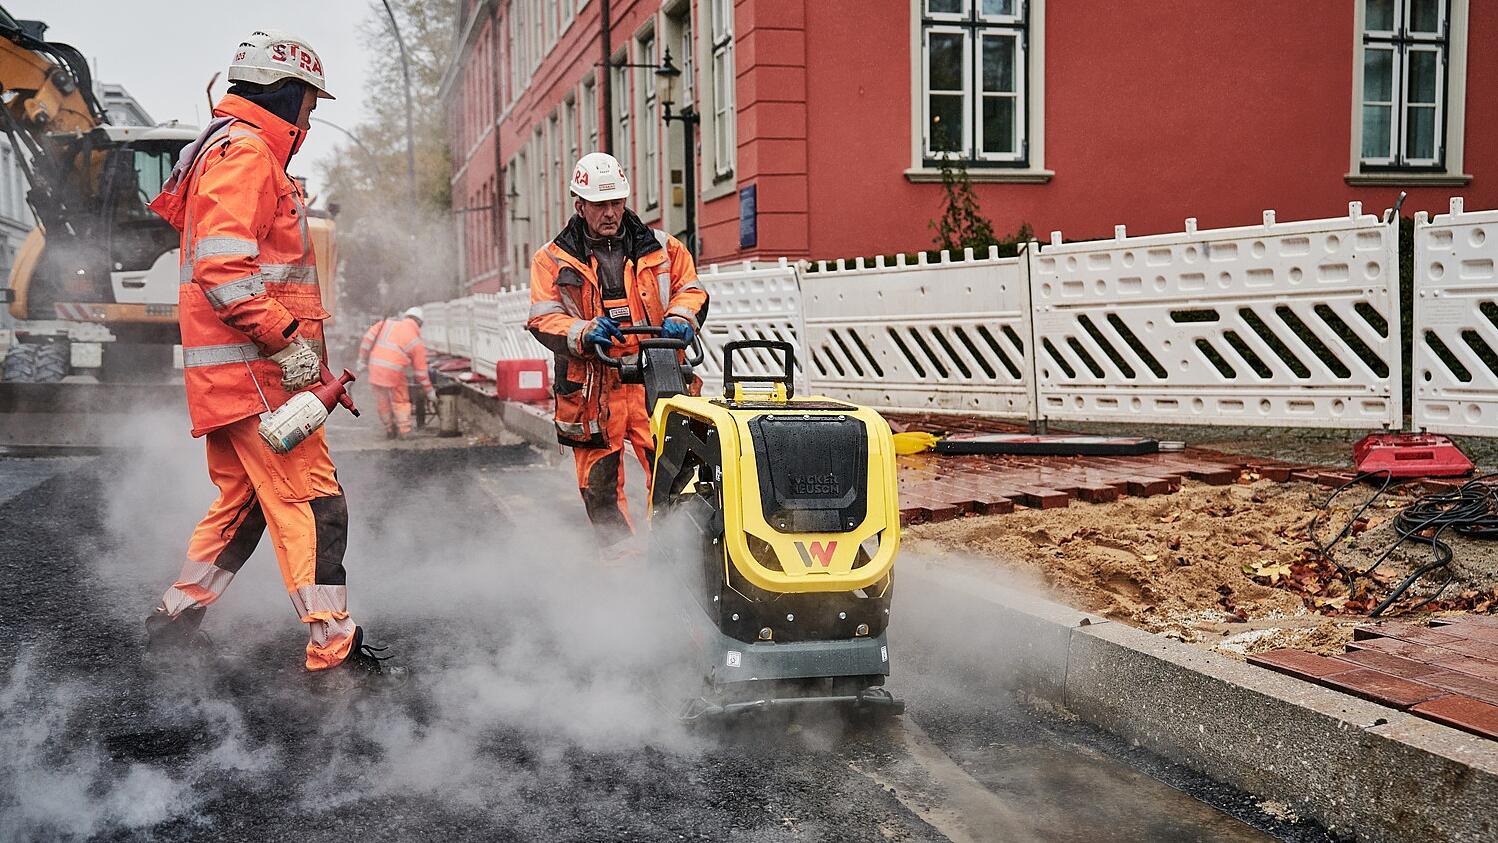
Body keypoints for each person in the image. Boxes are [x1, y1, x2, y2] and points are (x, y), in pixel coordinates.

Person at [142, 29, 394, 675]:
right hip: (260, 376)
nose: (310, 116)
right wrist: (288, 343)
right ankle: (334, 651)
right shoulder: (249, 153)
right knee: (316, 503)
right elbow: (225, 269)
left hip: (237, 380)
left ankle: (176, 617)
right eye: (309, 101)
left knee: (244, 505)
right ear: (286, 94)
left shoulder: (225, 150)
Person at [527, 152, 709, 551]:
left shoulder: (664, 248)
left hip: (656, 375)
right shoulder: (552, 259)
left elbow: (691, 289)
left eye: (616, 203)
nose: (610, 213)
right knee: (600, 487)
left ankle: (674, 558)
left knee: (677, 474)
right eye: (600, 204)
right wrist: (584, 331)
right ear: (580, 205)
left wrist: (681, 317)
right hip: (595, 383)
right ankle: (623, 571)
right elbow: (543, 318)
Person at [357, 306, 436, 438]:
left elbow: (367, 340)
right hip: (395, 372)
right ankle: (405, 431)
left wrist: (361, 359)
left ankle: (389, 429)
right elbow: (421, 373)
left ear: (405, 317)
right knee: (400, 400)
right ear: (420, 324)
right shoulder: (417, 342)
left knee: (382, 400)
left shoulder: (386, 324)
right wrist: (430, 392)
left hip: (375, 368)